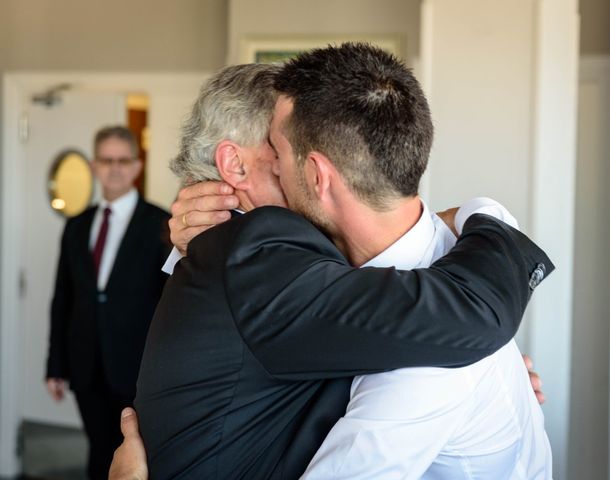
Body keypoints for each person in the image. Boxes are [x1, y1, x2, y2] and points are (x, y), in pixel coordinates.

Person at [117, 48, 551, 479]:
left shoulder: (250, 252)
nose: (304, 164)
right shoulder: (255, 250)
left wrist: (493, 382)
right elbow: (467, 313)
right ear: (234, 163)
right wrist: (486, 216)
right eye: (285, 146)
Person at [46, 126, 171, 480]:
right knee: (97, 451)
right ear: (94, 165)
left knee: (136, 458)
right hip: (85, 363)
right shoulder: (76, 225)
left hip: (137, 367)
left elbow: (170, 302)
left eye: (123, 160)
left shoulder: (161, 223)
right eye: (106, 160)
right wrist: (55, 365)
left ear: (136, 166)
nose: (114, 168)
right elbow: (62, 298)